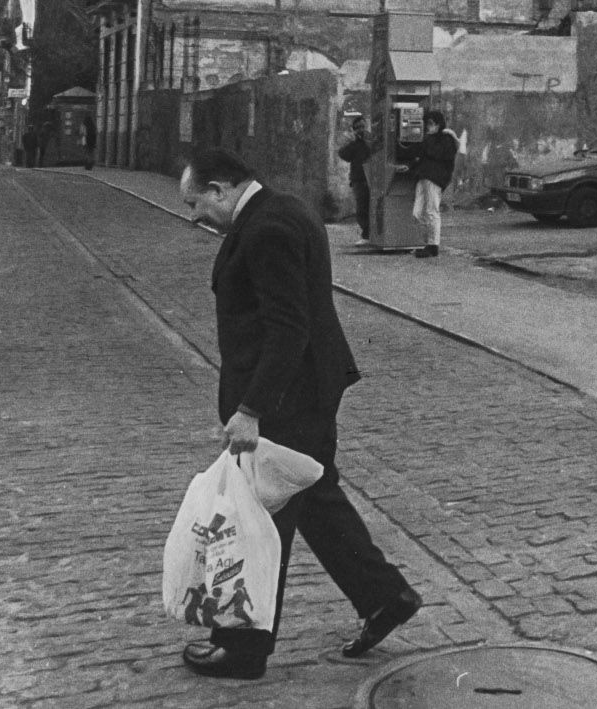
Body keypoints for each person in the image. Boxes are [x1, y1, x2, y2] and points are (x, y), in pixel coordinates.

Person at [177, 147, 421, 681]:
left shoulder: (267, 230)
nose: (195, 216)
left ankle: (242, 649)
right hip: (308, 389)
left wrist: (250, 409)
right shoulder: (284, 208)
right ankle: (384, 596)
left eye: (197, 203)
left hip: (289, 398)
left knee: (260, 519)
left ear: (220, 189)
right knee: (313, 497)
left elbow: (289, 327)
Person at [397, 110, 460, 260]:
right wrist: (410, 167)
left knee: (432, 211)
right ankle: (428, 242)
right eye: (427, 124)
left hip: (435, 178)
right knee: (417, 213)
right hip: (423, 176)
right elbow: (422, 157)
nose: (428, 127)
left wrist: (427, 140)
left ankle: (433, 245)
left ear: (439, 124)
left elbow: (436, 154)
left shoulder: (446, 139)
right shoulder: (430, 139)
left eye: (432, 124)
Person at [336, 115, 378, 243]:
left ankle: (373, 234)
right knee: (361, 208)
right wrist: (352, 141)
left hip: (373, 178)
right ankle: (366, 233)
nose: (361, 130)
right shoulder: (354, 144)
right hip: (359, 179)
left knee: (374, 207)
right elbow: (343, 154)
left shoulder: (372, 140)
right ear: (354, 129)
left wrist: (367, 140)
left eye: (363, 126)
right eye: (358, 128)